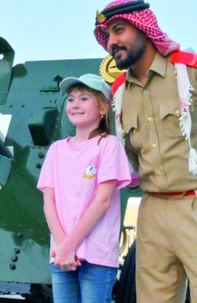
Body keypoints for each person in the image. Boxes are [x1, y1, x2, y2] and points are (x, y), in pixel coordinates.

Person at [93, 0, 197, 303]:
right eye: (107, 36)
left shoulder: (193, 71)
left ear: (142, 27)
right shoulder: (119, 94)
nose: (113, 41)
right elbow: (129, 156)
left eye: (119, 30)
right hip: (153, 208)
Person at [37, 74, 132, 303]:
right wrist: (63, 248)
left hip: (96, 256)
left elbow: (103, 200)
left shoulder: (109, 145)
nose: (75, 104)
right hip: (61, 255)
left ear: (103, 107)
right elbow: (49, 202)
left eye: (84, 98)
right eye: (71, 99)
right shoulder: (56, 150)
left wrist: (69, 246)